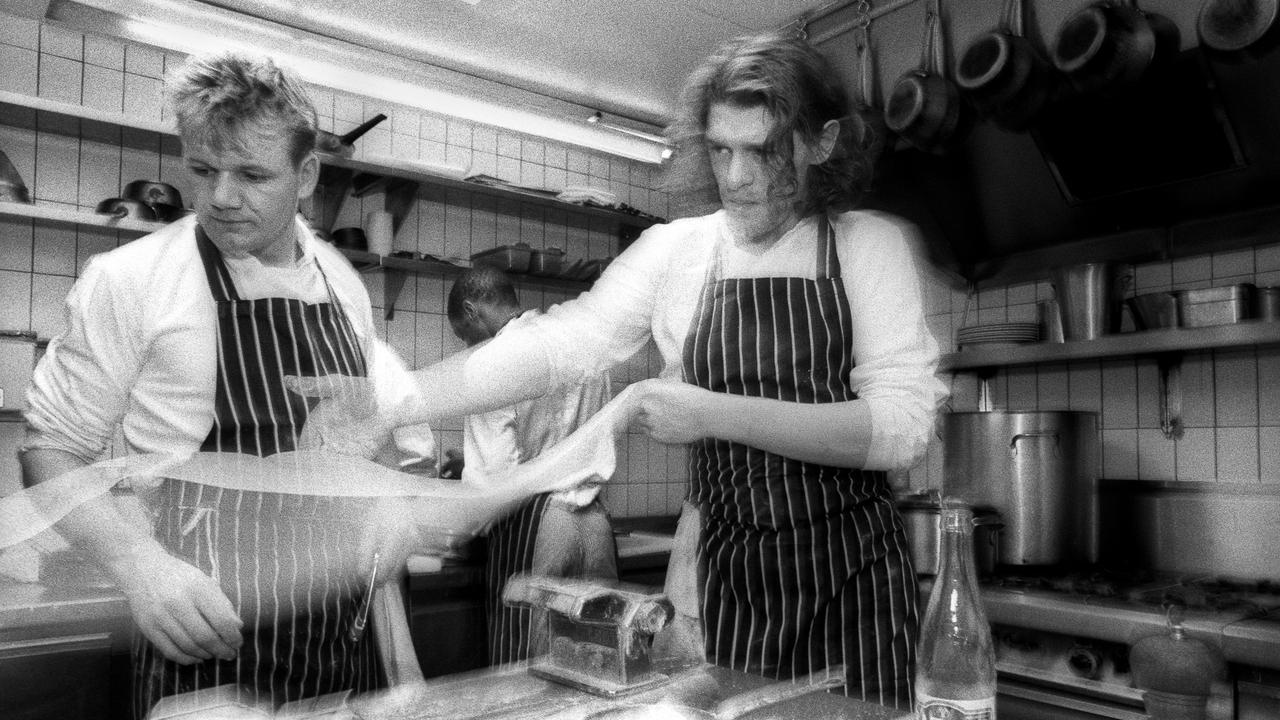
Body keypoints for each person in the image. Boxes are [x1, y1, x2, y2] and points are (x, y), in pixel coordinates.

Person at [299, 29, 947, 710]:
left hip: (852, 586)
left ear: (821, 143)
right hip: (730, 596)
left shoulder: (867, 247)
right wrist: (394, 399)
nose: (736, 177)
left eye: (762, 149)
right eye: (721, 149)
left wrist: (711, 413)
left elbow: (900, 430)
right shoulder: (679, 253)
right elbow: (554, 346)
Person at [19, 51, 421, 718]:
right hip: (198, 648)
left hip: (331, 648)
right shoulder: (133, 279)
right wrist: (138, 566)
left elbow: (360, 434)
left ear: (307, 175)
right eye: (202, 170)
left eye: (253, 174)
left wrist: (388, 500)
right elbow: (47, 449)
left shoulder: (340, 284)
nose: (221, 198)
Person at [446, 266, 618, 665]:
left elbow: (493, 480)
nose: (466, 345)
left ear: (472, 311)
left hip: (537, 527)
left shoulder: (491, 361)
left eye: (462, 335)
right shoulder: (582, 343)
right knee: (595, 666)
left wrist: (457, 532)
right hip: (594, 525)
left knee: (527, 672)